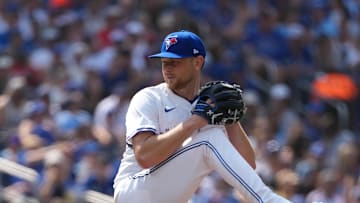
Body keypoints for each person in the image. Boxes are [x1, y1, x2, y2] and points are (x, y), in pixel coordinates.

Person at [113, 30, 291, 203]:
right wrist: (193, 123)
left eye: (175, 62)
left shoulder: (209, 105)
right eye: (164, 62)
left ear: (197, 62)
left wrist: (231, 122)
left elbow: (247, 166)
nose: (167, 69)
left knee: (210, 137)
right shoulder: (149, 98)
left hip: (173, 197)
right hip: (134, 190)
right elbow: (144, 157)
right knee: (208, 138)